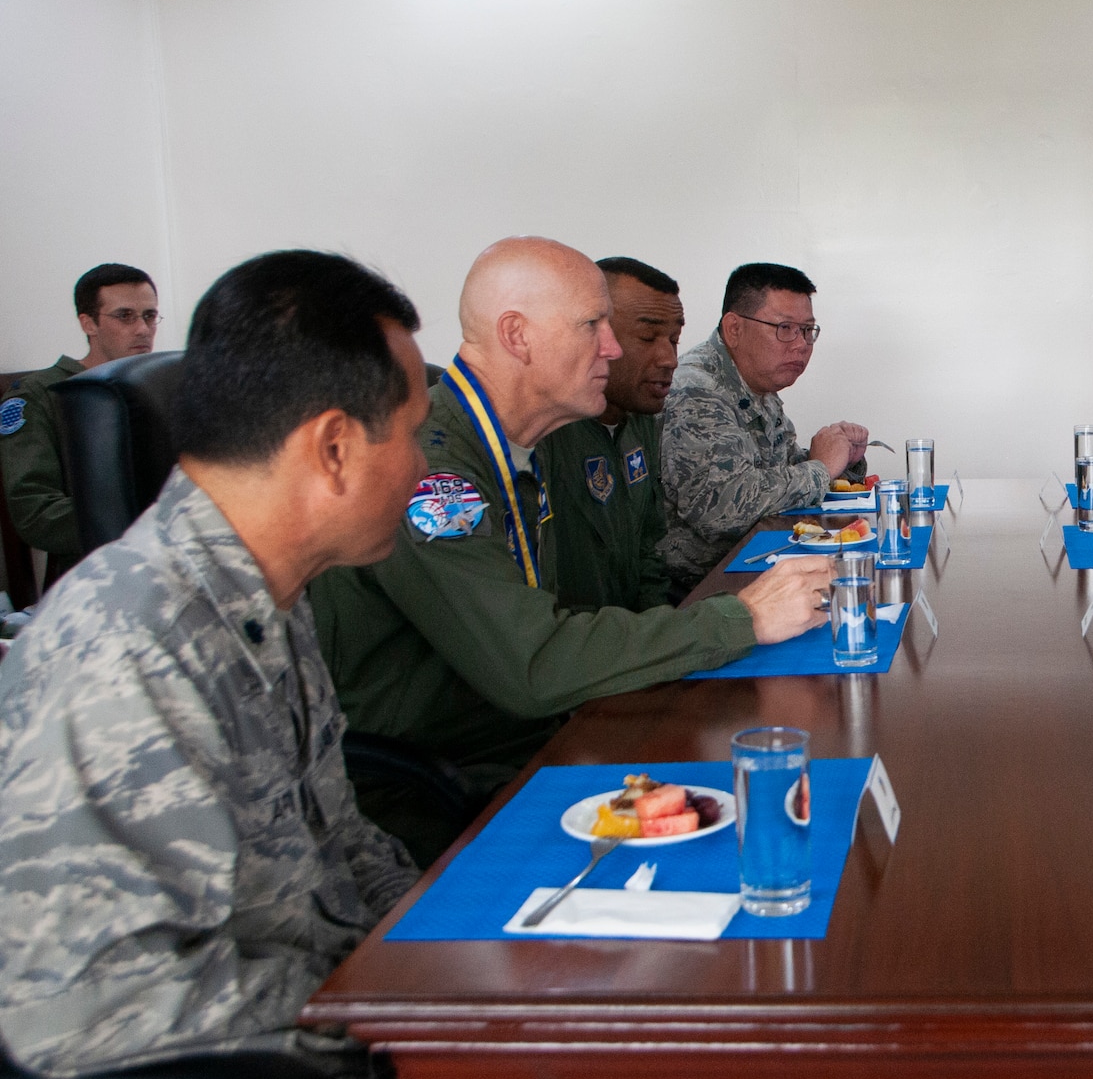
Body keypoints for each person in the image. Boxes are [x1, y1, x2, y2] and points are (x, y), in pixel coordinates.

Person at [0, 250, 421, 1079]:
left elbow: (340, 845)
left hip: (345, 1025)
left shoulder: (269, 589)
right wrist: (387, 1022)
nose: (419, 470)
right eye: (412, 435)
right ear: (334, 446)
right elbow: (96, 1012)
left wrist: (456, 950)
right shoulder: (128, 641)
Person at [309, 238, 832, 861]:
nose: (612, 349)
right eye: (593, 326)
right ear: (517, 335)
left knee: (795, 803)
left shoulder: (533, 441)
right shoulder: (437, 471)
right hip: (449, 782)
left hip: (553, 732)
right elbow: (531, 662)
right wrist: (741, 617)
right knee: (769, 834)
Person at [657, 262, 870, 600]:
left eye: (808, 330)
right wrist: (821, 468)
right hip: (698, 593)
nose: (801, 344)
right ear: (734, 329)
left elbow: (779, 475)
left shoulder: (758, 385)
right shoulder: (696, 389)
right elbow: (724, 508)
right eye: (785, 327)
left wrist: (844, 460)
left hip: (753, 568)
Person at [537, 256, 684, 611]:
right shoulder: (543, 430)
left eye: (674, 339)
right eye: (648, 337)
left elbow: (650, 550)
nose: (669, 358)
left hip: (632, 642)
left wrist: (658, 628)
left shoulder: (640, 419)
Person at [0, 262, 159, 588]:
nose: (143, 329)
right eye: (125, 316)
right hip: (93, 576)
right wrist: (142, 520)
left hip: (169, 562)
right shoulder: (41, 396)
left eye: (150, 316)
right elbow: (35, 512)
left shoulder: (162, 385)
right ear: (88, 323)